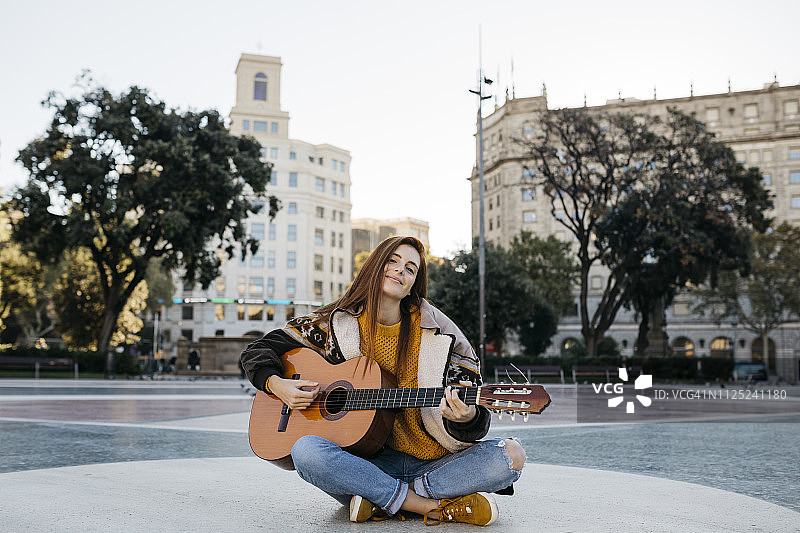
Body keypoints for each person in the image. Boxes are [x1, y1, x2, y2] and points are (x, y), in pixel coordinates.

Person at [240, 236, 525, 526]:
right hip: (363, 463)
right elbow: (257, 351)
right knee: (305, 451)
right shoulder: (333, 323)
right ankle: (430, 505)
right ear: (375, 265)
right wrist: (278, 385)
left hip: (432, 463)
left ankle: (381, 500)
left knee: (511, 455)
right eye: (393, 261)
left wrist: (467, 418)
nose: (400, 270)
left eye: (411, 269)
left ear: (414, 284)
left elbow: (473, 417)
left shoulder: (444, 337)